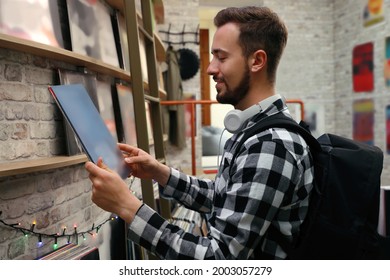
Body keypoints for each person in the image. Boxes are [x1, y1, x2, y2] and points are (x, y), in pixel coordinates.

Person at [85, 6, 314, 260]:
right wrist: (159, 173)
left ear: (257, 61)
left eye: (221, 57)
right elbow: (224, 198)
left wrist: (127, 207)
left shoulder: (271, 145)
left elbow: (218, 260)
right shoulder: (253, 129)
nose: (210, 68)